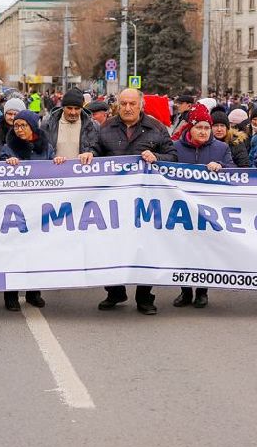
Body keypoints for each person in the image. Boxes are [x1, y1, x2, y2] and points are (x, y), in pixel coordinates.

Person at [93, 88, 174, 314]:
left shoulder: (156, 128)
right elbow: (95, 152)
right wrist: (88, 153)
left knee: (144, 249)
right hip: (113, 203)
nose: (127, 108)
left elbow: (173, 157)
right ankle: (115, 292)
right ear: (117, 105)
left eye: (132, 104)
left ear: (141, 106)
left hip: (145, 204)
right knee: (110, 247)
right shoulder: (106, 127)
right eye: (123, 104)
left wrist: (157, 157)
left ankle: (145, 298)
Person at [170, 104, 236, 309]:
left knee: (205, 250)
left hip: (209, 210)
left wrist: (222, 167)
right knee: (183, 250)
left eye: (207, 128)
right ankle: (185, 291)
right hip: (181, 208)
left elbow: (235, 170)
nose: (203, 132)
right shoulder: (176, 147)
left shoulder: (221, 148)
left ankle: (202, 291)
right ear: (190, 128)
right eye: (199, 127)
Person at [0, 109, 53, 311]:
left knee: (36, 252)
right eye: (16, 126)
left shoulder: (45, 147)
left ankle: (33, 292)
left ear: (33, 127)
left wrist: (57, 163)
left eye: (23, 125)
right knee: (14, 252)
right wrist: (7, 163)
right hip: (16, 208)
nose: (19, 129)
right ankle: (11, 295)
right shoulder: (9, 147)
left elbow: (52, 170)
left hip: (38, 207)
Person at [42, 87, 99, 165]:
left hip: (82, 174)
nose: (73, 112)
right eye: (69, 108)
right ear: (63, 107)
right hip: (55, 172)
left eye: (77, 108)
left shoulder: (93, 126)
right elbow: (40, 151)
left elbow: (99, 149)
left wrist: (91, 153)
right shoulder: (48, 124)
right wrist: (52, 158)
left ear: (82, 108)